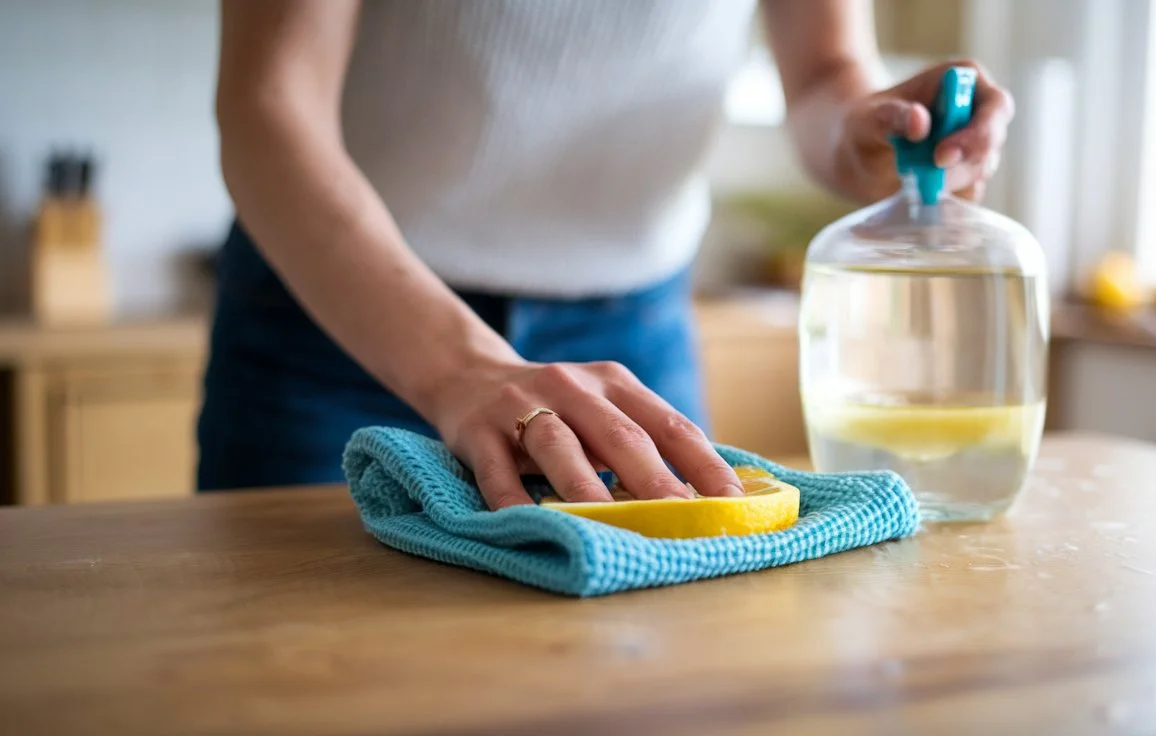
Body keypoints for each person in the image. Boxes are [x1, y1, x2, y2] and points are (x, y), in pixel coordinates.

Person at [198, 0, 1012, 508]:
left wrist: (859, 131)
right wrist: (460, 369)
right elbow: (271, 104)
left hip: (632, 337)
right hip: (340, 329)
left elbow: (824, 72)